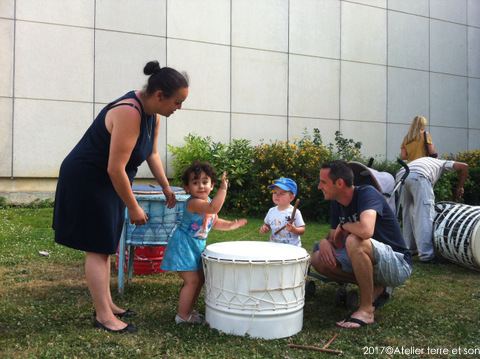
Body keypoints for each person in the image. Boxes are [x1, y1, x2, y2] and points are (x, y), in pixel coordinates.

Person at [52, 60, 189, 333]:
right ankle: (104, 316)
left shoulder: (154, 114)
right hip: (89, 179)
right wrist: (134, 206)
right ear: (160, 95)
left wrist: (165, 186)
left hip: (109, 179)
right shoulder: (129, 112)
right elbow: (115, 168)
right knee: (98, 246)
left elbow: (151, 153)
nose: (179, 108)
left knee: (106, 243)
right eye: (177, 101)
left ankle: (108, 305)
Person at [311, 160, 412, 329]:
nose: (319, 187)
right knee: (318, 259)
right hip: (372, 261)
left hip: (397, 263)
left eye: (323, 182)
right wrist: (324, 242)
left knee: (354, 240)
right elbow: (332, 236)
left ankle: (366, 311)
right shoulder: (337, 202)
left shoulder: (367, 194)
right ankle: (376, 288)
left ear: (340, 183)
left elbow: (366, 231)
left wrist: (345, 226)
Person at [160, 161, 247, 324]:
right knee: (192, 281)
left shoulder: (207, 203)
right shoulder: (194, 203)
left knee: (200, 279)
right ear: (187, 187)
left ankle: (188, 311)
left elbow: (213, 221)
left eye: (205, 182)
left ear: (211, 185)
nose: (201, 186)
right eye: (195, 182)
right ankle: (182, 315)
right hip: (183, 246)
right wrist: (223, 189)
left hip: (195, 246)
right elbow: (214, 209)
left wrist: (231, 225)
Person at [396, 156, 468, 263]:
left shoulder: (423, 160)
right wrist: (460, 187)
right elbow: (464, 166)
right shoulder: (442, 163)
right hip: (419, 177)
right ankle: (426, 255)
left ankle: (410, 249)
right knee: (424, 215)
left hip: (401, 176)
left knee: (407, 213)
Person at [259, 177, 305, 246]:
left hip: (292, 248)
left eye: (281, 193)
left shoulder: (295, 212)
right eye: (275, 192)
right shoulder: (271, 211)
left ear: (291, 197)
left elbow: (302, 230)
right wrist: (265, 228)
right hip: (275, 246)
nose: (277, 195)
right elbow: (267, 224)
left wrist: (294, 229)